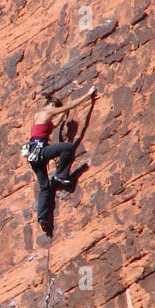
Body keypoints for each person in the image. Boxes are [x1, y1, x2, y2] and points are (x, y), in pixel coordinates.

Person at [23, 85, 95, 234]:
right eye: (57, 108)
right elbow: (68, 106)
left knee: (44, 187)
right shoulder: (48, 110)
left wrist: (65, 114)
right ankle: (61, 176)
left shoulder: (39, 116)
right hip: (40, 151)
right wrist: (88, 95)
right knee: (67, 147)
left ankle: (43, 218)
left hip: (33, 156)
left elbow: (54, 123)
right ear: (52, 105)